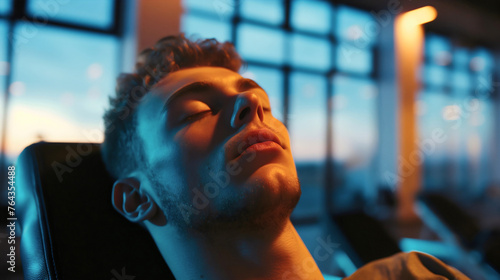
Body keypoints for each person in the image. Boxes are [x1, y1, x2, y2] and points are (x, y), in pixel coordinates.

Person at [101, 34, 469, 280]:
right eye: (197, 110)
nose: (252, 103)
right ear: (136, 198)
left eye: (262, 100)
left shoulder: (413, 274)